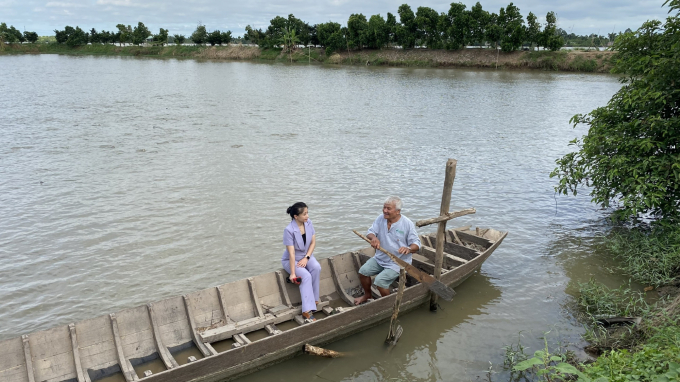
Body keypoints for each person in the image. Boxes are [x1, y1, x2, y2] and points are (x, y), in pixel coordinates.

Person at [354, 196, 421, 305]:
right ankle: (367, 295)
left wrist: (408, 248)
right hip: (381, 257)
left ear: (398, 211)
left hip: (398, 262)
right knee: (363, 272)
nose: (385, 211)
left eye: (388, 209)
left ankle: (390, 305)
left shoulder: (407, 223)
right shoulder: (381, 218)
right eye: (384, 208)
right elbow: (370, 232)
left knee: (380, 282)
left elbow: (417, 244)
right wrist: (374, 238)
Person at [282, 202, 321, 321]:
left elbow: (313, 242)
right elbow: (291, 253)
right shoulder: (288, 230)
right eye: (304, 214)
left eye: (307, 213)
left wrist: (307, 257)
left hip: (306, 256)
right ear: (296, 217)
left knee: (316, 267)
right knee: (306, 276)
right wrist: (293, 274)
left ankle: (314, 298)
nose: (307, 216)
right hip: (291, 260)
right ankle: (306, 310)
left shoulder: (308, 223)